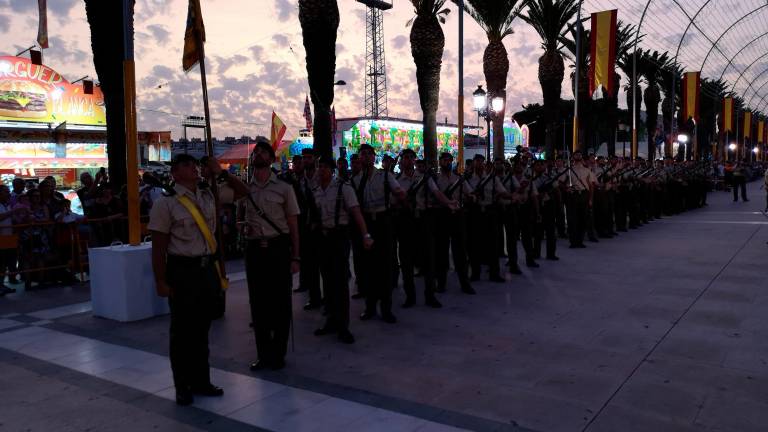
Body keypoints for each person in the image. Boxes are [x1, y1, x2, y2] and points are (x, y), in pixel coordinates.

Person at [149, 154, 226, 406]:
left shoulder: (207, 194)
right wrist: (160, 281)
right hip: (182, 271)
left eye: (194, 164)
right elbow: (158, 247)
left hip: (206, 270)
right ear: (174, 173)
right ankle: (182, 386)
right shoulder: (166, 204)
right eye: (185, 165)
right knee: (182, 333)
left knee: (202, 331)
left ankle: (202, 380)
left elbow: (242, 193)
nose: (193, 168)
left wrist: (220, 172)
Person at [223, 140, 301, 371]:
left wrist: (296, 256)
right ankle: (263, 354)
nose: (258, 154)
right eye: (256, 151)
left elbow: (293, 224)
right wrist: (240, 226)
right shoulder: (246, 189)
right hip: (255, 249)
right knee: (258, 304)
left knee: (280, 303)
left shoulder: (284, 188)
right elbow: (237, 214)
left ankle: (278, 354)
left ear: (271, 158)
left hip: (278, 248)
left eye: (263, 152)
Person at [311, 156, 373, 344]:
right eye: (318, 166)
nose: (320, 170)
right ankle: (331, 320)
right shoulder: (315, 191)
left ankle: (343, 326)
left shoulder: (343, 188)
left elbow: (356, 213)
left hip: (339, 238)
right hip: (323, 238)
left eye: (324, 167)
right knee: (328, 281)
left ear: (332, 170)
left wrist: (366, 235)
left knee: (340, 283)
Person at [354, 144, 406, 323]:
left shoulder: (385, 176)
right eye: (363, 154)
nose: (367, 157)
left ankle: (386, 309)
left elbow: (401, 194)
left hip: (383, 222)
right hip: (366, 223)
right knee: (367, 268)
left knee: (384, 268)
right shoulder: (356, 180)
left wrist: (394, 205)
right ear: (359, 158)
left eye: (370, 154)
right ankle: (369, 307)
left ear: (374, 157)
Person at [434, 152, 474, 294]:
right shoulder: (435, 179)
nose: (447, 162)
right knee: (441, 251)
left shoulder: (459, 179)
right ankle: (441, 283)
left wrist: (470, 197)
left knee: (460, 252)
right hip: (442, 216)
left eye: (449, 160)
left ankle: (465, 283)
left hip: (457, 216)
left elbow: (469, 194)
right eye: (444, 160)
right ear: (440, 162)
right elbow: (435, 197)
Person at [566, 150, 596, 248]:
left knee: (582, 219)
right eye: (576, 154)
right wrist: (567, 188)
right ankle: (573, 241)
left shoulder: (587, 170)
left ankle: (580, 240)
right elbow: (561, 182)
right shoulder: (569, 170)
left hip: (584, 194)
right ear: (573, 157)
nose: (578, 156)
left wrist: (590, 199)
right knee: (572, 219)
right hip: (573, 195)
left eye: (580, 154)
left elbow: (591, 185)